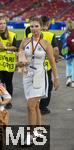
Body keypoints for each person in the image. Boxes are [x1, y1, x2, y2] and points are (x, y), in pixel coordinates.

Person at [18, 16, 59, 145]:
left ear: (41, 27)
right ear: (29, 28)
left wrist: (56, 78)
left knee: (30, 106)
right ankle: (39, 133)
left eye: (36, 26)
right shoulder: (24, 41)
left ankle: (30, 136)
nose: (34, 29)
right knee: (35, 107)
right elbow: (19, 62)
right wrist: (19, 62)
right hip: (27, 76)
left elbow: (52, 62)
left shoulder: (46, 43)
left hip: (39, 76)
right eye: (32, 26)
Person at [24, 16, 59, 114]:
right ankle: (42, 108)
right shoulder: (51, 36)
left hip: (31, 68)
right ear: (47, 24)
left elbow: (25, 50)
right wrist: (55, 59)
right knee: (46, 88)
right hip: (45, 67)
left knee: (34, 89)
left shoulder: (29, 35)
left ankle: (35, 106)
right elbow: (56, 50)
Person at [0, 16, 17, 108]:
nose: (2, 25)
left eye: (4, 23)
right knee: (1, 84)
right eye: (0, 24)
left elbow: (15, 47)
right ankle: (2, 99)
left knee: (8, 82)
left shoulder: (12, 35)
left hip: (9, 63)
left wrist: (5, 48)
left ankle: (8, 101)